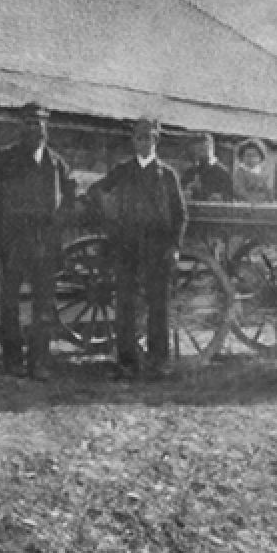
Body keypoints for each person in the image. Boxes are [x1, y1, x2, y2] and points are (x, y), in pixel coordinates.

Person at [0, 102, 75, 380]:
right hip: (13, 240)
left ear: (46, 129)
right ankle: (12, 360)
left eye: (39, 125)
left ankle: (39, 362)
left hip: (44, 242)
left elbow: (71, 195)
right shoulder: (7, 159)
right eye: (29, 124)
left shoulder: (56, 163)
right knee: (10, 303)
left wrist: (59, 219)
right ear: (21, 128)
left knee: (43, 305)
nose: (35, 130)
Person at [88, 118, 188, 380]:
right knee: (125, 305)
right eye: (140, 138)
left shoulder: (167, 174)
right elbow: (96, 190)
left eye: (149, 138)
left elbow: (180, 214)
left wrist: (175, 246)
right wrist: (109, 218)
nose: (144, 143)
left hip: (158, 246)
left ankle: (159, 362)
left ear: (156, 141)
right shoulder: (122, 171)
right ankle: (127, 362)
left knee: (158, 305)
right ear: (134, 141)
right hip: (127, 245)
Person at [181, 132, 233, 202]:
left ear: (212, 148)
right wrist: (187, 190)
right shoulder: (190, 172)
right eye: (198, 150)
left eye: (203, 149)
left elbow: (230, 196)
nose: (200, 153)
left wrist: (220, 197)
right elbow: (179, 193)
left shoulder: (223, 173)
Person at [233, 138, 272, 203]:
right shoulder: (240, 173)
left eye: (254, 155)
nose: (251, 158)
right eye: (248, 155)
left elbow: (268, 190)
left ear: (260, 157)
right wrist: (252, 200)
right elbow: (240, 190)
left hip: (262, 206)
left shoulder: (264, 173)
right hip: (244, 205)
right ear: (242, 157)